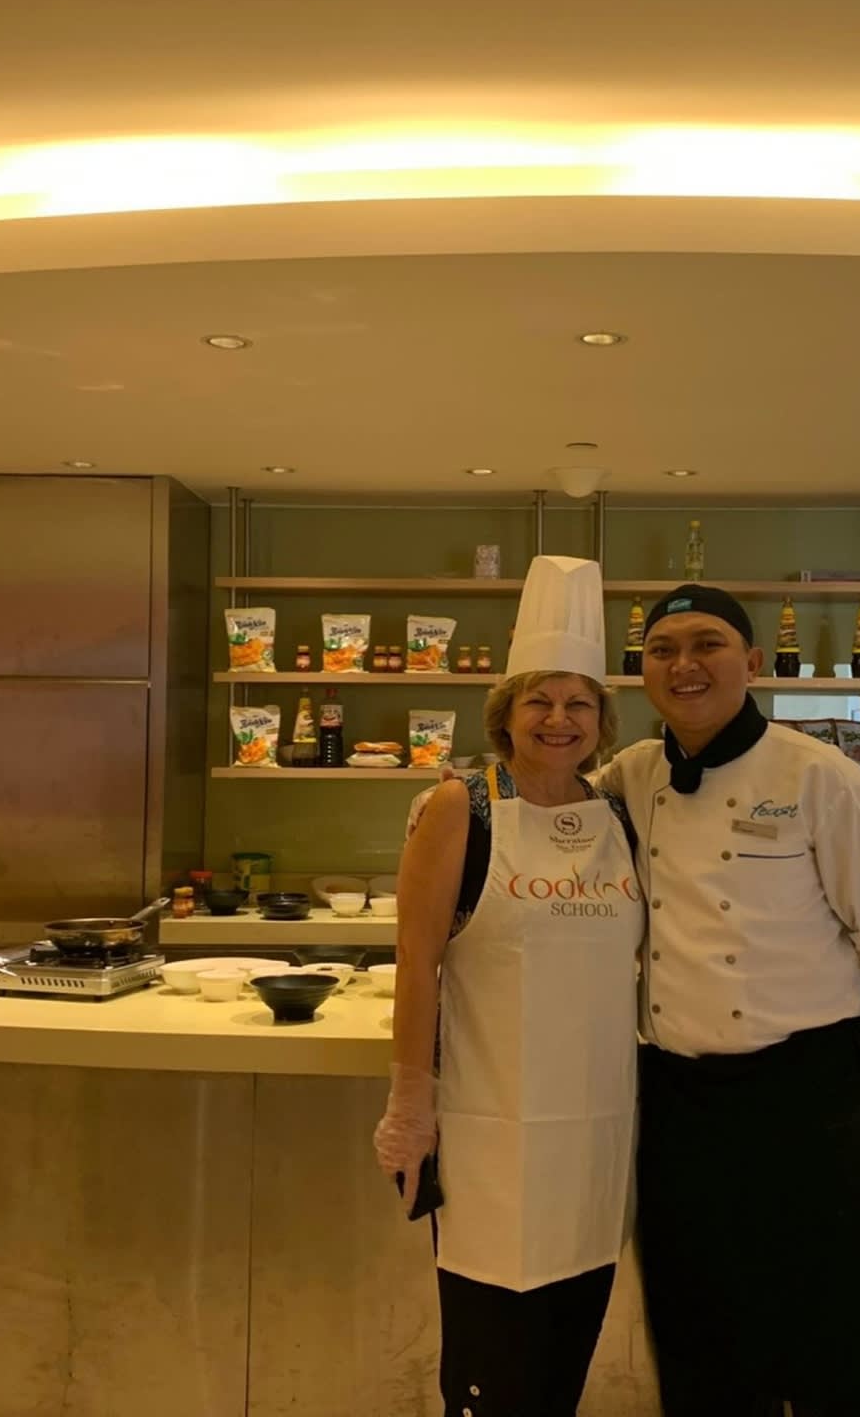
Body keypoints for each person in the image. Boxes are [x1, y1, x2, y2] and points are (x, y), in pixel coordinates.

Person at [605, 584, 860, 1417]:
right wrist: (459, 807)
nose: (684, 665)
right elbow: (546, 818)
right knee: (700, 1336)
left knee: (833, 1339)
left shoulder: (821, 776)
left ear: (754, 662)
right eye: (663, 650)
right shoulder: (630, 774)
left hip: (808, 1094)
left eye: (708, 644)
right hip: (679, 1097)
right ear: (642, 670)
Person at [374, 555, 643, 1417]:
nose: (559, 720)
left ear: (601, 720)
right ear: (506, 714)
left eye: (579, 703)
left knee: (566, 1356)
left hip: (597, 1131)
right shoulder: (461, 806)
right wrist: (409, 1104)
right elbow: (417, 959)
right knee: (497, 1370)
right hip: (490, 1131)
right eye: (540, 701)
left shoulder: (619, 815)